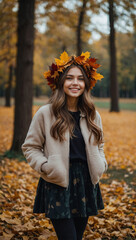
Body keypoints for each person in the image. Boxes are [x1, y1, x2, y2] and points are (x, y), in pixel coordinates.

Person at [22, 51, 108, 240]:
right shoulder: (46, 113)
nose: (75, 83)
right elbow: (30, 147)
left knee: (77, 236)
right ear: (60, 82)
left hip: (86, 182)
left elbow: (100, 144)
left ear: (86, 84)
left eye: (80, 79)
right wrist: (46, 166)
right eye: (69, 78)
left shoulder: (92, 114)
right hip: (58, 182)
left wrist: (102, 163)